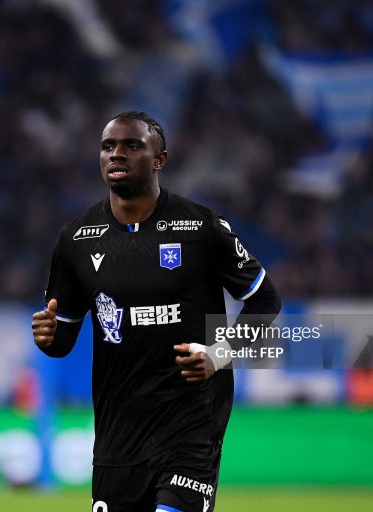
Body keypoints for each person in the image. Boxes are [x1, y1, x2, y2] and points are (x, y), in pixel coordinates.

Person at [31, 111, 281, 512]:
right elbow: (62, 339)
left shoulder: (201, 227)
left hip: (191, 419)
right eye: (108, 146)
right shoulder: (76, 239)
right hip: (119, 430)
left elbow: (265, 301)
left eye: (132, 146)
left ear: (159, 159)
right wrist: (48, 337)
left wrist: (218, 356)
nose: (117, 154)